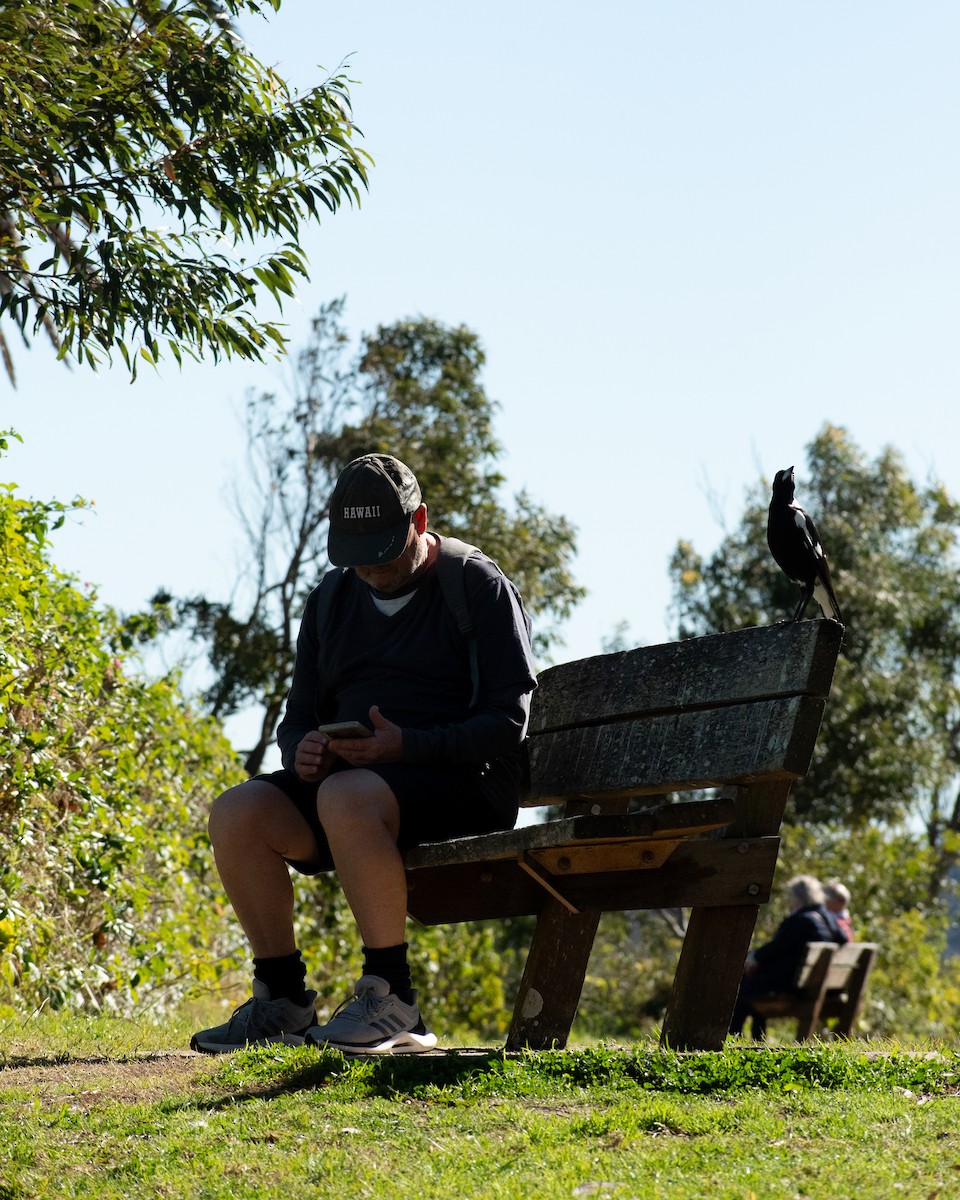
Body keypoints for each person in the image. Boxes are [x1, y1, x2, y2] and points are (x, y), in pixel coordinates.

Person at [191, 453, 537, 1055]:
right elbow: (297, 716)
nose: (370, 566)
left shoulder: (474, 583)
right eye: (354, 550)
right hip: (355, 788)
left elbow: (510, 719)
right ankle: (283, 1001)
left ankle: (393, 1000)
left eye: (382, 546)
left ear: (419, 519)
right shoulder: (330, 599)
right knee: (238, 812)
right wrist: (304, 749)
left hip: (464, 781)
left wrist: (409, 745)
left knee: (345, 795)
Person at [728, 874, 848, 1040]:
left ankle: (733, 1038)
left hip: (790, 985)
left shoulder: (800, 920)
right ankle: (757, 1039)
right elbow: (843, 938)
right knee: (753, 986)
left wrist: (754, 958)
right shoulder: (826, 918)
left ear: (798, 898)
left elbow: (777, 948)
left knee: (740, 991)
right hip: (811, 983)